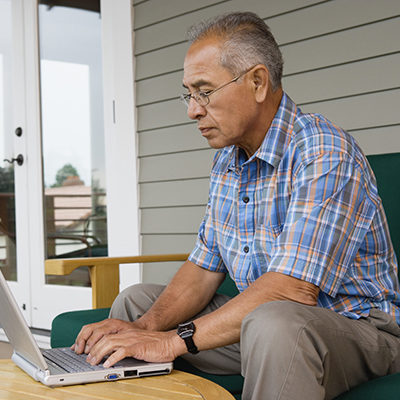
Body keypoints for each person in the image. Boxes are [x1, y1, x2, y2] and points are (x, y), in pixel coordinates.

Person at [72, 12, 400, 400]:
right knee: (135, 301)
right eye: (188, 94)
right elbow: (202, 268)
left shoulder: (323, 151)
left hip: (359, 332)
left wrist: (171, 342)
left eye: (204, 91)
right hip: (262, 327)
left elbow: (292, 290)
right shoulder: (228, 161)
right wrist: (146, 327)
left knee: (275, 324)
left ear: (257, 82)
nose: (192, 110)